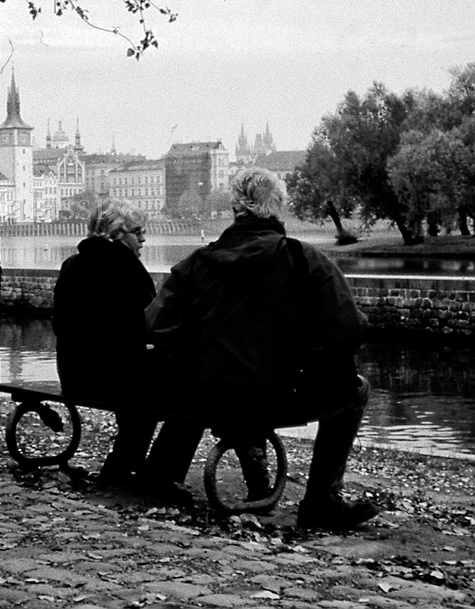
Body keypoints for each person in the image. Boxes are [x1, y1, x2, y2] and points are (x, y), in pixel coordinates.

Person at [144, 167, 379, 531]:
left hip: (210, 394)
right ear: (278, 207)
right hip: (280, 394)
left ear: (236, 208)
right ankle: (321, 498)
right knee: (356, 388)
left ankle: (171, 472)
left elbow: (157, 325)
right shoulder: (304, 259)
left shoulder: (198, 264)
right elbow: (350, 329)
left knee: (191, 372)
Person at [52, 197, 156, 483]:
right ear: (116, 233)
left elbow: (58, 324)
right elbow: (148, 326)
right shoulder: (129, 270)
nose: (144, 238)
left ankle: (126, 468)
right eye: (138, 231)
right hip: (113, 379)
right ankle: (125, 472)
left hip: (74, 376)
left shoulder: (72, 264)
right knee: (171, 396)